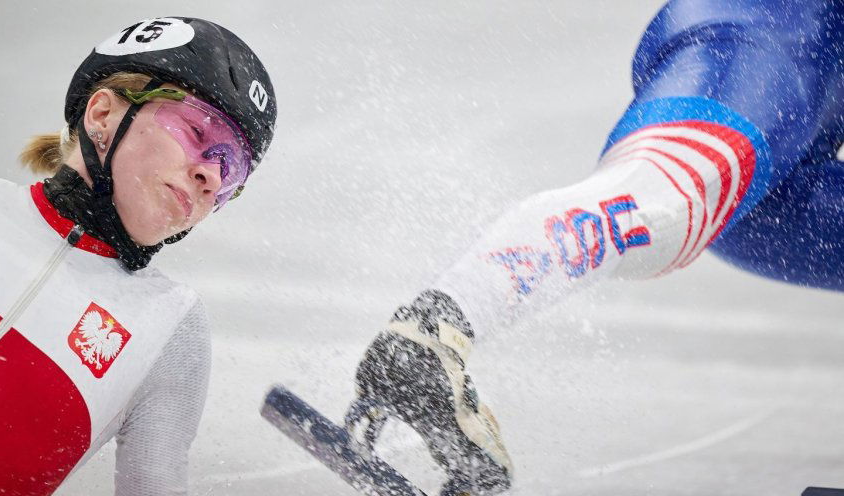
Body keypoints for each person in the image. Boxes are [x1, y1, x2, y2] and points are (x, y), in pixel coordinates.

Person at [345, 0, 844, 494]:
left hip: (805, 104)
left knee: (668, 207)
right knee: (659, 202)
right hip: (787, 31)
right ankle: (435, 333)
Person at [0, 16, 276, 495]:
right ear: (101, 115)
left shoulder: (171, 325)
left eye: (232, 167)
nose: (212, 177)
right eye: (198, 133)